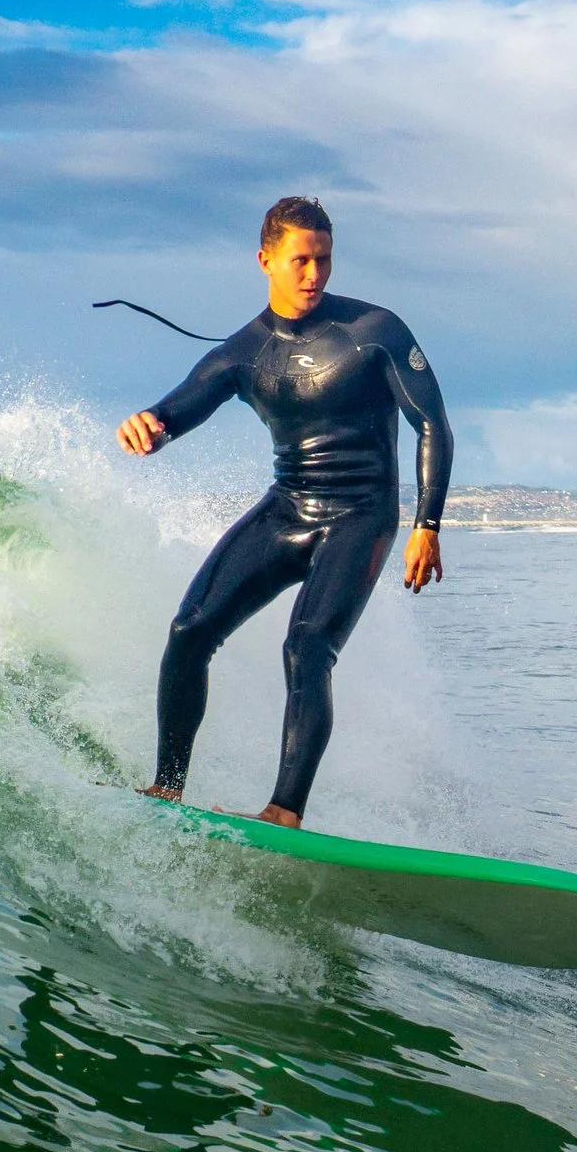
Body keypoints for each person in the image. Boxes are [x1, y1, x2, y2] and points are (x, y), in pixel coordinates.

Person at [116, 196, 451, 828]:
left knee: (306, 647)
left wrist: (425, 526)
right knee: (190, 633)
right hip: (288, 508)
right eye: (300, 260)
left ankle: (284, 810)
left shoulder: (375, 332)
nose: (314, 275)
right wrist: (148, 426)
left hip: (362, 513)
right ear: (266, 259)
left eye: (323, 260)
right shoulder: (242, 352)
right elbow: (177, 410)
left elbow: (431, 423)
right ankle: (166, 788)